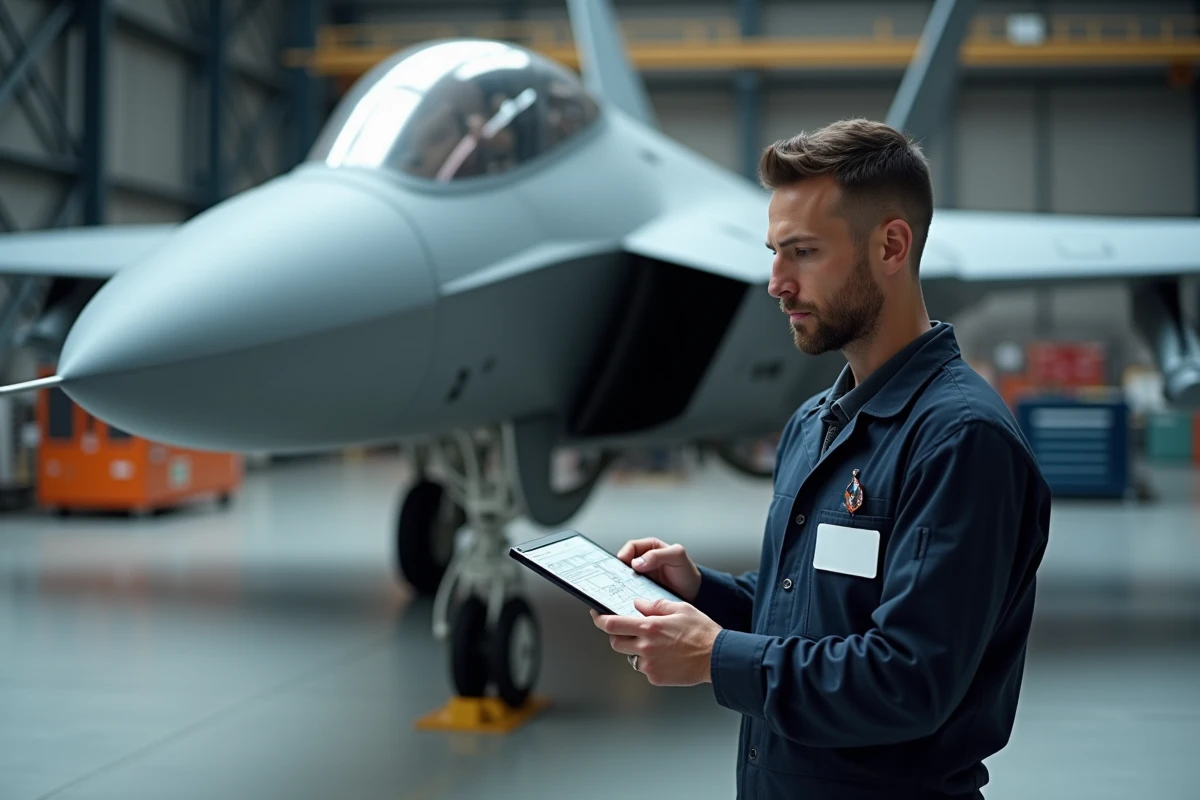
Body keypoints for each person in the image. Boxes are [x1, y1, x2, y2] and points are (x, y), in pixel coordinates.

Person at [591, 118, 1052, 800]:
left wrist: (715, 658)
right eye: (775, 252)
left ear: (892, 245)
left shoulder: (961, 441)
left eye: (803, 252)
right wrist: (701, 593)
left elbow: (907, 679)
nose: (776, 283)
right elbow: (810, 614)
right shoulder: (816, 423)